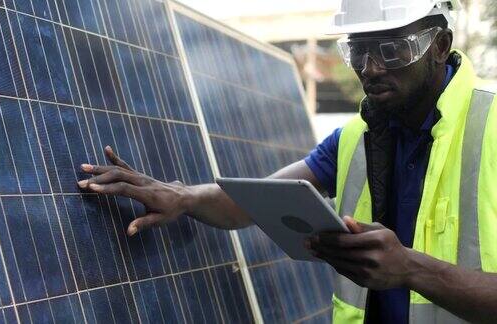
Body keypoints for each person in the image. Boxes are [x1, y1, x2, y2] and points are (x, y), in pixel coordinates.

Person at [77, 0, 497, 323]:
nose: (369, 69)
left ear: (440, 46)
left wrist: (411, 269)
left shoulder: (492, 128)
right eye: (357, 51)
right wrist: (183, 197)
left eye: (391, 50)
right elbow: (261, 200)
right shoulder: (357, 138)